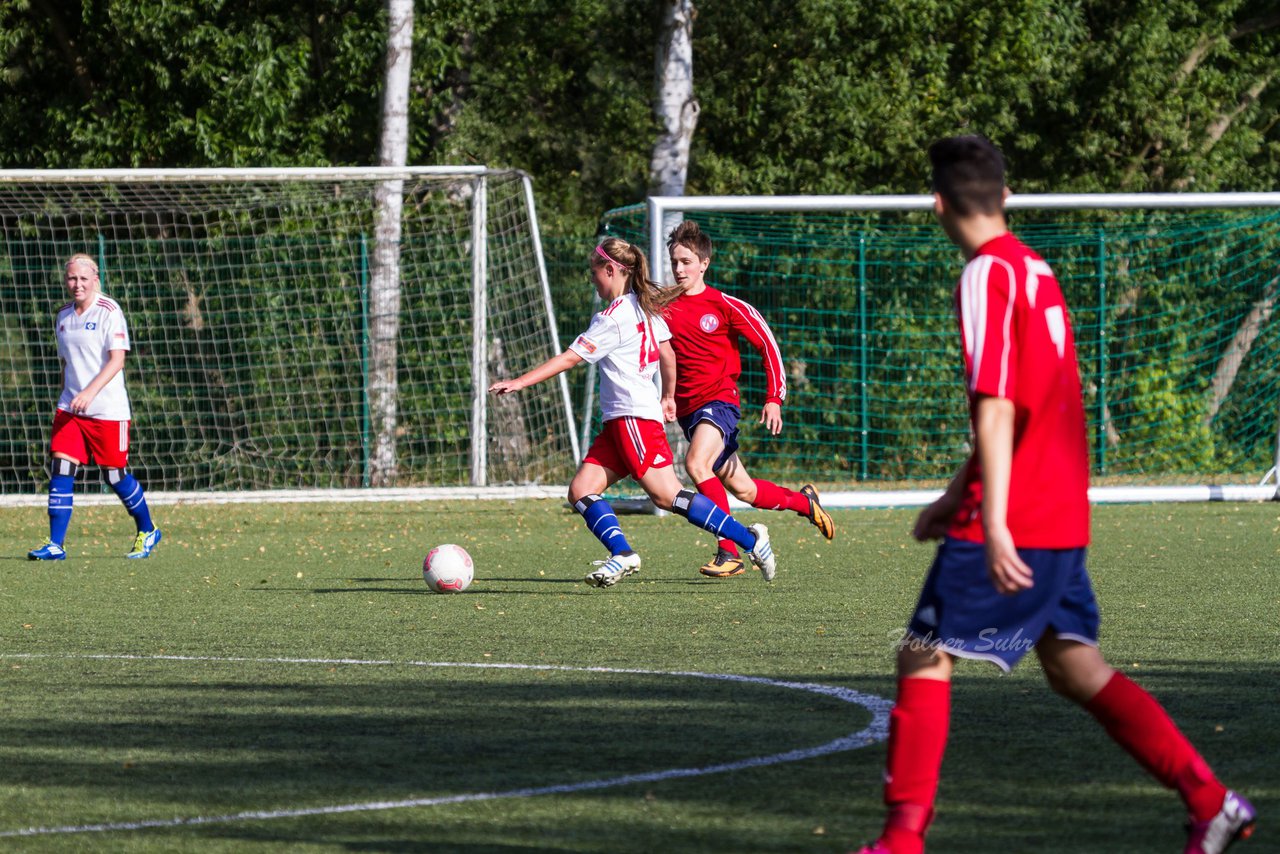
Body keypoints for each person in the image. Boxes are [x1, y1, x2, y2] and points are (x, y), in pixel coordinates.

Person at [851, 136, 1255, 854]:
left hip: (1020, 512)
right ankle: (1211, 799)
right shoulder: (1035, 267)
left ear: (938, 203)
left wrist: (993, 520)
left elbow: (998, 406)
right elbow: (1028, 402)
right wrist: (956, 495)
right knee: (1075, 667)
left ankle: (901, 842)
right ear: (1003, 195)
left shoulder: (983, 276)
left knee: (923, 653)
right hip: (1063, 506)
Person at [488, 238, 776, 588]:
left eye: (594, 272)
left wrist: (519, 382)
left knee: (667, 496)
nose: (592, 280)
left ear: (611, 270)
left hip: (634, 420)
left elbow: (570, 358)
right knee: (581, 490)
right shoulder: (645, 306)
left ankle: (750, 540)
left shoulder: (612, 318)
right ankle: (622, 554)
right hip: (620, 421)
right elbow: (668, 354)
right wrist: (668, 395)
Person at [663, 221, 834, 578]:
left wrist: (775, 398)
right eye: (675, 262)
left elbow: (767, 345)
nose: (679, 269)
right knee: (747, 490)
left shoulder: (725, 305)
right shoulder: (664, 307)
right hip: (689, 413)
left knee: (696, 465)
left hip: (720, 403)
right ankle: (806, 503)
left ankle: (729, 552)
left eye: (686, 261)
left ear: (704, 263)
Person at [28, 253, 162, 561]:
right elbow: (67, 363)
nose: (77, 284)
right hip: (71, 409)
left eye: (83, 279)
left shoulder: (109, 310)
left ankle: (147, 529)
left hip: (107, 410)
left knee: (114, 476)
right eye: (72, 278)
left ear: (95, 280)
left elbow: (117, 360)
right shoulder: (62, 315)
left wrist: (89, 392)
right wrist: (69, 394)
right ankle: (55, 544)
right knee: (61, 467)